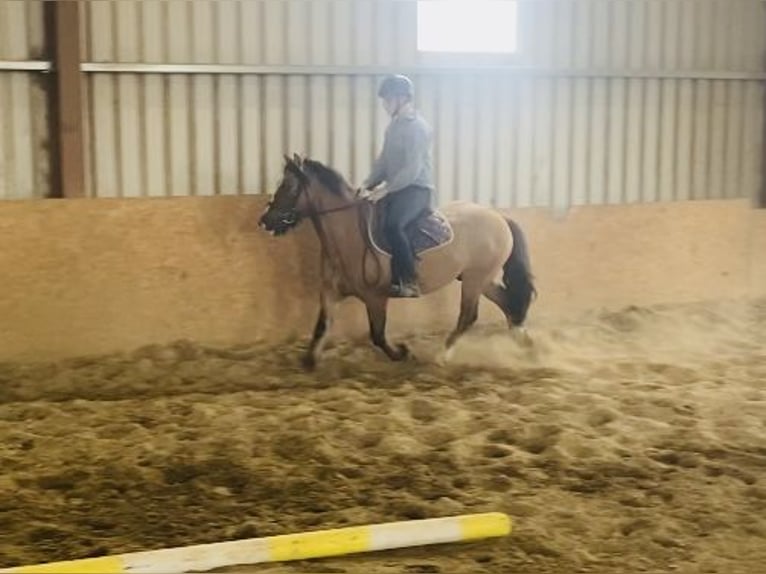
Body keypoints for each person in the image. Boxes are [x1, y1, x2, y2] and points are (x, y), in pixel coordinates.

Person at [360, 74, 435, 298]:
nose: (384, 105)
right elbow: (384, 161)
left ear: (401, 99)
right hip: (397, 188)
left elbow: (411, 170)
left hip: (416, 189)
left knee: (393, 225)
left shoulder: (418, 128)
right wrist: (367, 184)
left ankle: (409, 281)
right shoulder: (393, 126)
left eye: (387, 100)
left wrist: (384, 190)